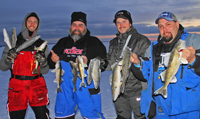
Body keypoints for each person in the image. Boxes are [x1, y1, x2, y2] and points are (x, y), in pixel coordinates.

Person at [131, 11, 200, 118]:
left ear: (177, 24)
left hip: (189, 110)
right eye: (161, 26)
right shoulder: (153, 48)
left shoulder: (194, 40)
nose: (164, 29)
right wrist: (137, 63)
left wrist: (194, 60)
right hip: (162, 110)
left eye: (168, 24)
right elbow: (146, 73)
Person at [47, 11, 107, 119]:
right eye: (74, 25)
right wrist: (52, 60)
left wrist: (88, 61)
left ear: (85, 27)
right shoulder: (62, 42)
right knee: (63, 115)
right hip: (65, 89)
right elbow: (50, 64)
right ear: (70, 26)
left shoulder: (94, 42)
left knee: (92, 115)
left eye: (80, 25)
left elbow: (103, 63)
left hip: (87, 88)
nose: (77, 28)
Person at [0, 12, 50, 119]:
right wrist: (9, 59)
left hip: (37, 87)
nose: (32, 24)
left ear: (38, 25)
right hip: (17, 88)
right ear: (24, 23)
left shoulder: (42, 45)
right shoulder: (13, 44)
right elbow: (3, 67)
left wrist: (44, 62)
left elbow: (45, 71)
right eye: (29, 21)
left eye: (35, 22)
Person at [105, 10, 151, 119]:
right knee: (122, 116)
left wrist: (137, 61)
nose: (121, 25)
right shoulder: (113, 42)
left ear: (130, 23)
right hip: (119, 91)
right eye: (118, 22)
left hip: (137, 91)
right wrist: (101, 64)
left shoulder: (142, 40)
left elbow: (149, 65)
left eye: (124, 21)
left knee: (141, 117)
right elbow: (111, 64)